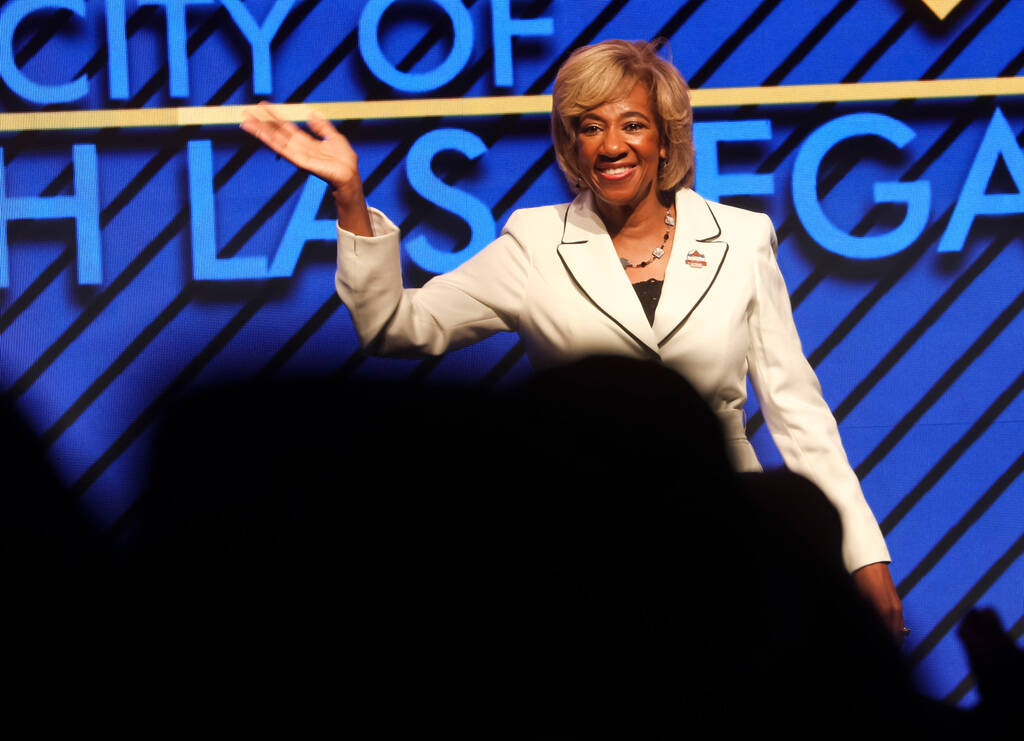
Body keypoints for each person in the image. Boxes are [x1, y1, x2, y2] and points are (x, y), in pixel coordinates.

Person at [241, 39, 904, 639]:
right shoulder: (534, 242)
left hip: (727, 543)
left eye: (632, 124)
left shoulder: (741, 237)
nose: (612, 143)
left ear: (666, 140)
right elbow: (396, 327)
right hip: (587, 554)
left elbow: (800, 417)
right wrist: (351, 196)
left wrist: (864, 558)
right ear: (572, 147)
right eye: (590, 126)